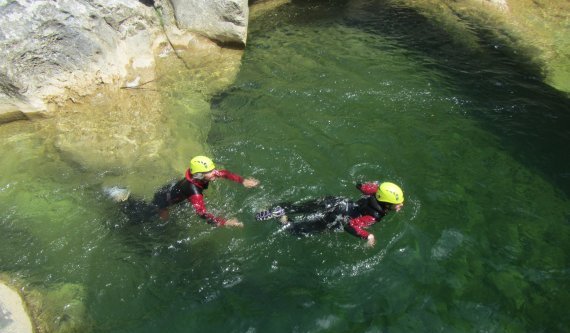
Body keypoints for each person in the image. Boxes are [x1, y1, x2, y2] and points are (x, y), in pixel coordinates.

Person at [108, 156, 259, 227]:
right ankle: (124, 199)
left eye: (213, 169)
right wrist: (225, 222)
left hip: (173, 190)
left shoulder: (200, 176)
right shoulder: (194, 190)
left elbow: (224, 173)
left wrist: (243, 181)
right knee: (149, 217)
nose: (215, 172)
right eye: (210, 171)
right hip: (164, 198)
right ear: (199, 175)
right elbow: (201, 213)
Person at [255, 181, 404, 246]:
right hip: (335, 217)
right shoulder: (374, 216)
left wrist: (371, 185)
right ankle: (282, 219)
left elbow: (361, 186)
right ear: (385, 203)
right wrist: (368, 236)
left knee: (300, 207)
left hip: (335, 202)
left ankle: (274, 207)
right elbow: (350, 226)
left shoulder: (376, 191)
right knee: (300, 231)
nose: (400, 205)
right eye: (396, 204)